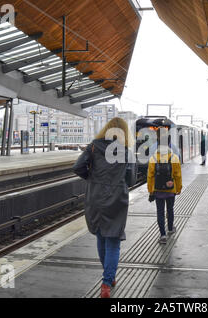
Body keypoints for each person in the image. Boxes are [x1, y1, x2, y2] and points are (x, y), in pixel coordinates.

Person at [73, 117, 134, 298]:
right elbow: (131, 180)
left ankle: (109, 277)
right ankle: (106, 283)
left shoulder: (93, 146)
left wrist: (92, 178)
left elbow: (78, 167)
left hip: (95, 197)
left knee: (101, 236)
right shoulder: (127, 152)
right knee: (113, 241)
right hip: (117, 200)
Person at [147, 128, 182, 244]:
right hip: (171, 189)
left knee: (160, 212)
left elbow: (150, 176)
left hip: (157, 189)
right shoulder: (174, 157)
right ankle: (171, 229)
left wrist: (150, 191)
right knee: (170, 209)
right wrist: (179, 188)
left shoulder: (153, 157)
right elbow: (177, 175)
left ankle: (162, 235)